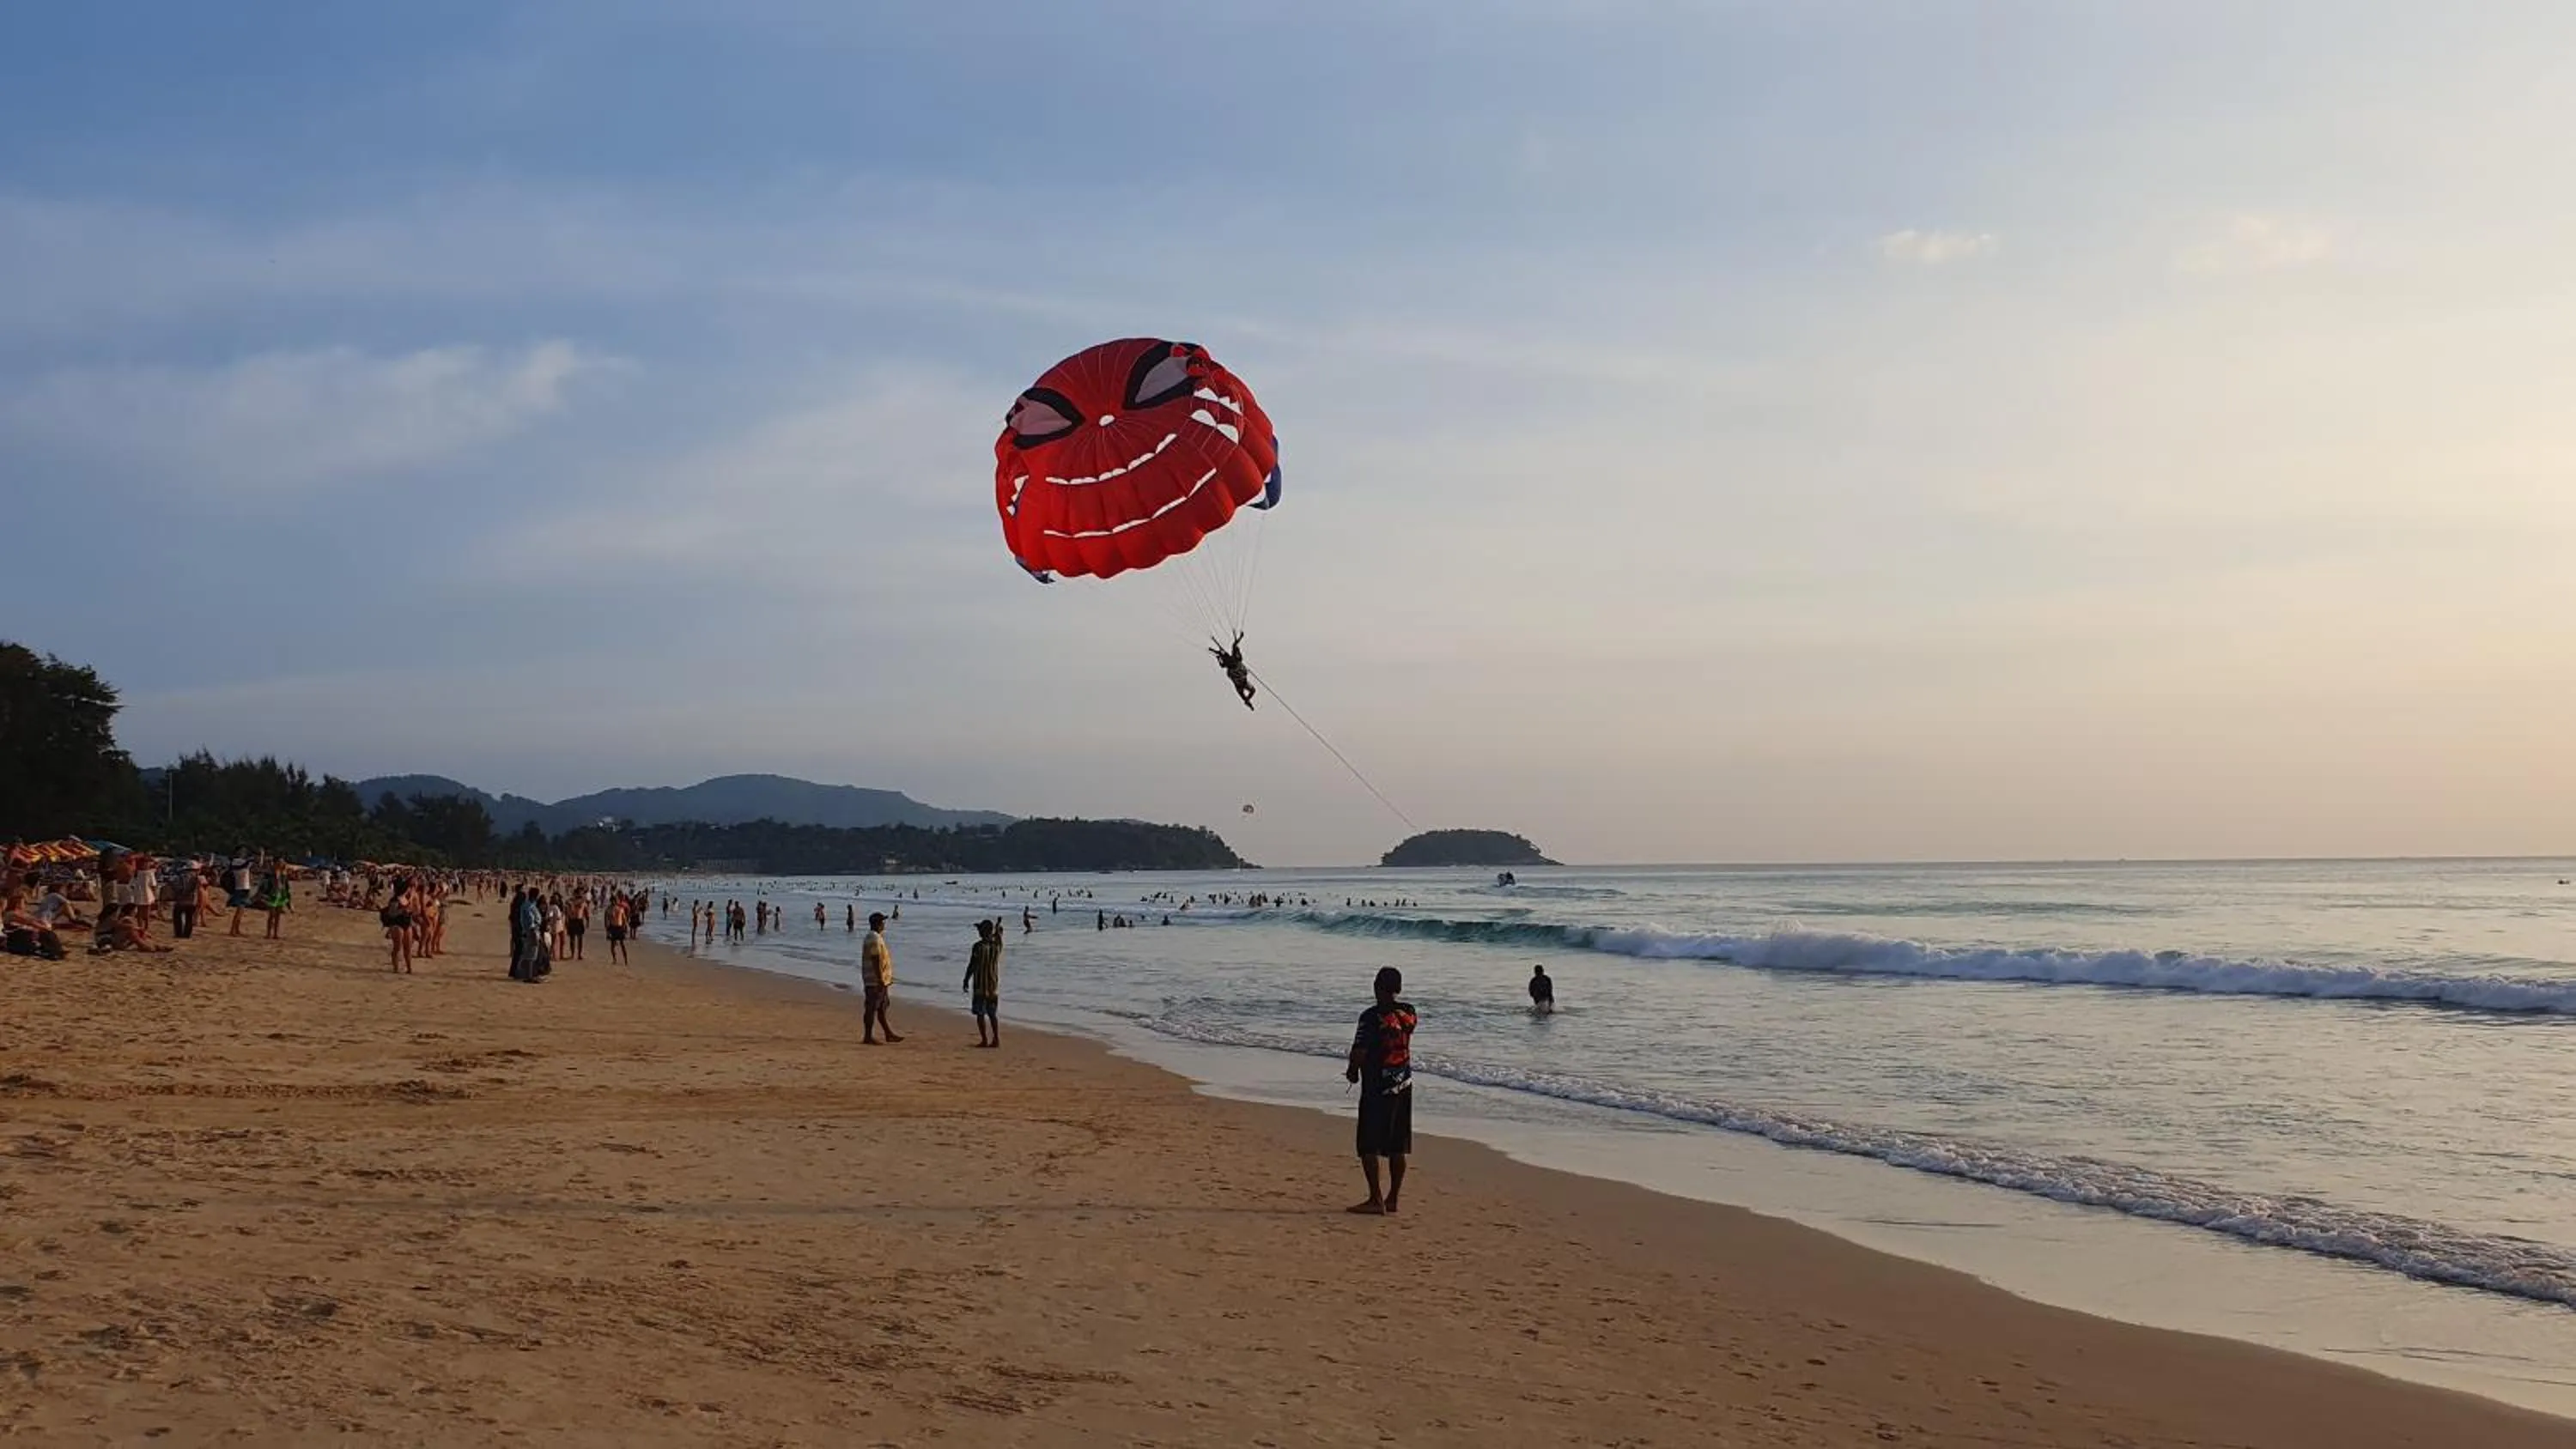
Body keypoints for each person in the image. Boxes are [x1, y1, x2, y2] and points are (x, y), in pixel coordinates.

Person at [1345, 966, 1418, 1216]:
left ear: (1377, 987)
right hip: (1403, 1084)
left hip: (1376, 1087)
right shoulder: (1409, 1013)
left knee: (1368, 1144)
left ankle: (1375, 1198)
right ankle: (1393, 1198)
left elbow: (1360, 1051)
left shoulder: (1370, 1017)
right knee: (1398, 1145)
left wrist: (1352, 1071)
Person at [860, 912, 902, 1044]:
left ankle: (888, 1033)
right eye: (882, 922)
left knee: (881, 1007)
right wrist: (880, 980)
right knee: (872, 1007)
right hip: (875, 980)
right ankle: (868, 1036)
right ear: (878, 924)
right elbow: (876, 959)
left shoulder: (875, 937)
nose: (884, 924)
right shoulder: (874, 938)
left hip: (879, 979)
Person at [963, 919, 1003, 1048]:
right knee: (992, 1014)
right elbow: (999, 935)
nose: (978, 932)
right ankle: (996, 1039)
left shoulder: (978, 947)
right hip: (993, 985)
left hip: (980, 985)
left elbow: (972, 965)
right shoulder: (997, 946)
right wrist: (997, 926)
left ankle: (984, 1040)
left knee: (980, 1013)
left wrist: (966, 979)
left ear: (983, 931)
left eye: (980, 929)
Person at [1208, 630, 1256, 709]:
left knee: (1250, 693)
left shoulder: (1233, 659)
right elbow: (1223, 661)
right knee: (1251, 692)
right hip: (1239, 679)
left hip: (1239, 681)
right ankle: (1248, 702)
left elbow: (1222, 663)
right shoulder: (1234, 659)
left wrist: (1218, 658)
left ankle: (1248, 702)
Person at [605, 890, 631, 965]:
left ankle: (625, 960)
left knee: (622, 945)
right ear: (611, 901)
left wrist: (626, 927)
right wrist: (607, 931)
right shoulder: (609, 909)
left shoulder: (621, 909)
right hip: (613, 927)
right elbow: (607, 921)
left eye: (616, 900)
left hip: (620, 927)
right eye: (614, 900)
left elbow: (624, 919)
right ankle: (615, 959)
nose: (615, 902)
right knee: (613, 945)